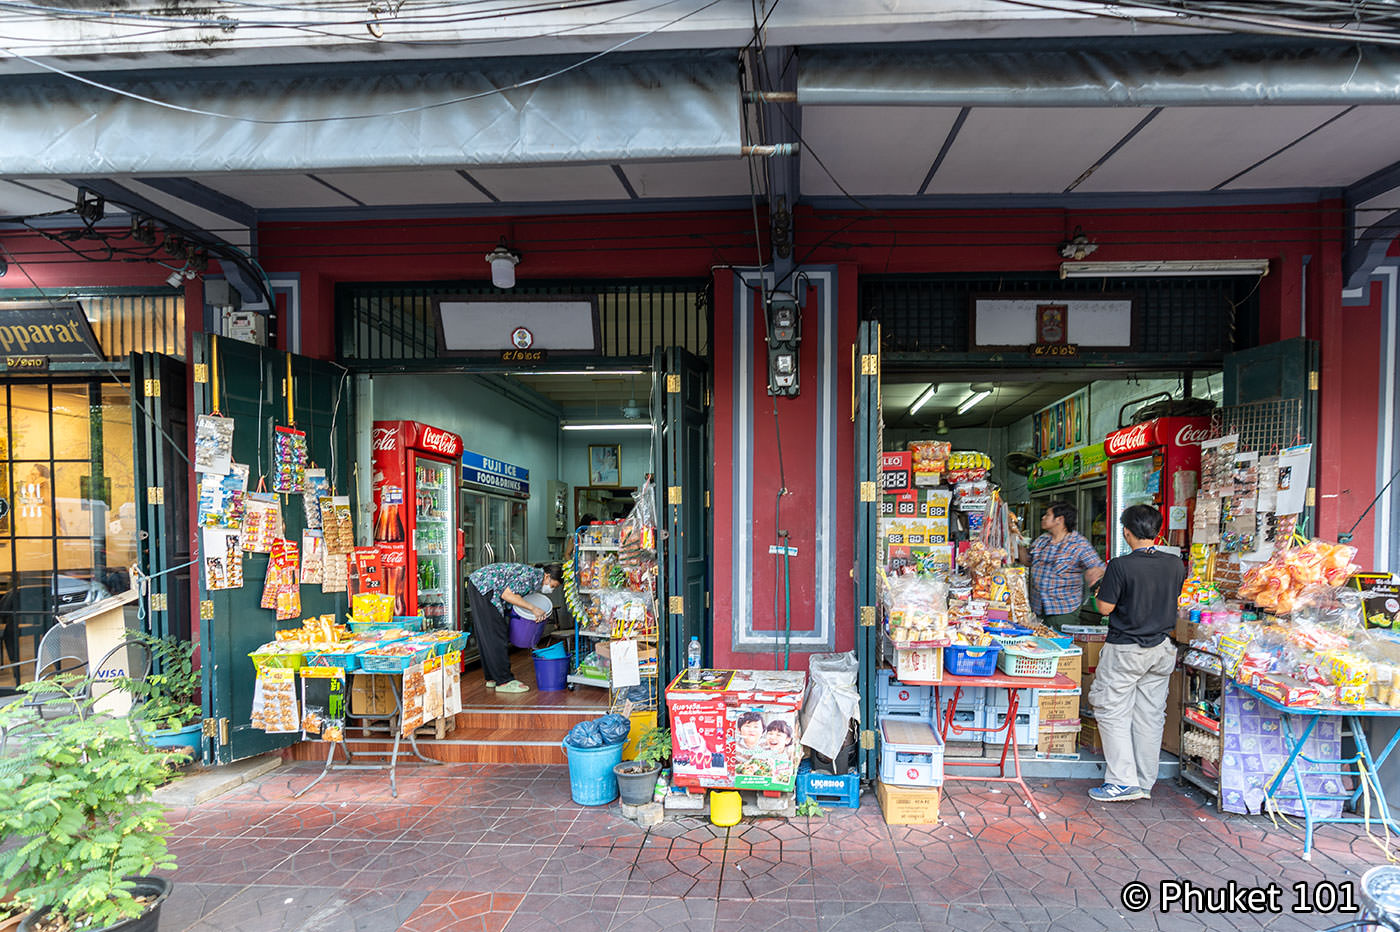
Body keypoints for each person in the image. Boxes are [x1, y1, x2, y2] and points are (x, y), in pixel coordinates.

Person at [1087, 504, 1186, 802]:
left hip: (1126, 649)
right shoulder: (1175, 564)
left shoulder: (1120, 565)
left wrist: (1097, 587)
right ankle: (1144, 781)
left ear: (1126, 532)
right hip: (1161, 650)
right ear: (1156, 531)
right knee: (1150, 716)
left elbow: (1105, 608)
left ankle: (1121, 781)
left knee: (1111, 709)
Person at [466, 561, 562, 694]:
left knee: (487, 634)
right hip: (485, 586)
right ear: (547, 576)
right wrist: (533, 608)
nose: (551, 590)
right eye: (552, 586)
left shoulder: (533, 578)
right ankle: (504, 681)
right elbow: (507, 595)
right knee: (497, 634)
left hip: (478, 584)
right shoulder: (531, 576)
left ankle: (492, 677)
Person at [1018, 500, 1105, 630]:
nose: (1043, 517)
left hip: (1063, 610)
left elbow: (1100, 567)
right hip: (1038, 608)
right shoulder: (1043, 540)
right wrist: (1018, 543)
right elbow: (1027, 561)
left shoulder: (1078, 544)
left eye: (1047, 515)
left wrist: (1094, 573)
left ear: (1059, 519)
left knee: (1060, 640)